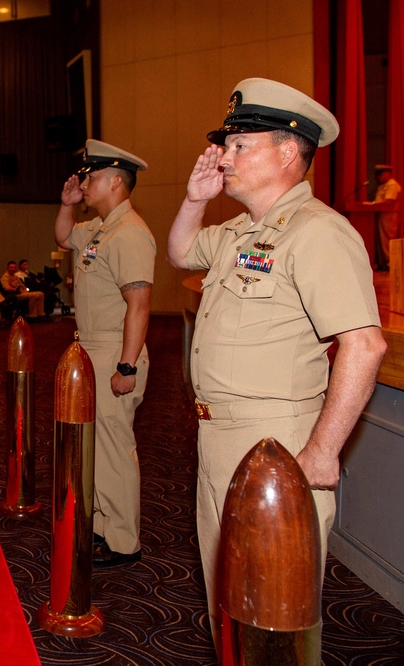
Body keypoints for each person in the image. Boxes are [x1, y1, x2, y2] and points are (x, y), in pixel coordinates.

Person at [166, 78, 386, 646]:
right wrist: (195, 199)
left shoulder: (318, 233)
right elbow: (181, 252)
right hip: (217, 435)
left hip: (276, 441)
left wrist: (320, 452)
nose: (225, 157)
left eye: (241, 146)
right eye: (227, 144)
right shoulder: (241, 231)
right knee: (230, 605)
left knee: (271, 615)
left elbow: (365, 345)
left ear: (289, 153)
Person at [54, 139, 155, 568]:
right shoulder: (98, 229)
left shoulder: (130, 232)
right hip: (90, 346)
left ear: (115, 181)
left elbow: (140, 304)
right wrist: (67, 204)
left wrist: (126, 365)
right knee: (92, 448)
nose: (84, 183)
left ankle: (123, 540)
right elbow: (63, 236)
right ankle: (98, 526)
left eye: (91, 177)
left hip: (116, 346)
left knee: (114, 449)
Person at [365, 164, 401, 270]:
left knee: (387, 239)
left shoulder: (392, 185)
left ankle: (390, 263)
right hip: (381, 214)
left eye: (380, 175)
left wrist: (372, 204)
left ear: (387, 173)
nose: (378, 178)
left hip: (389, 215)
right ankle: (383, 263)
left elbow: (389, 200)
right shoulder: (382, 185)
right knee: (381, 240)